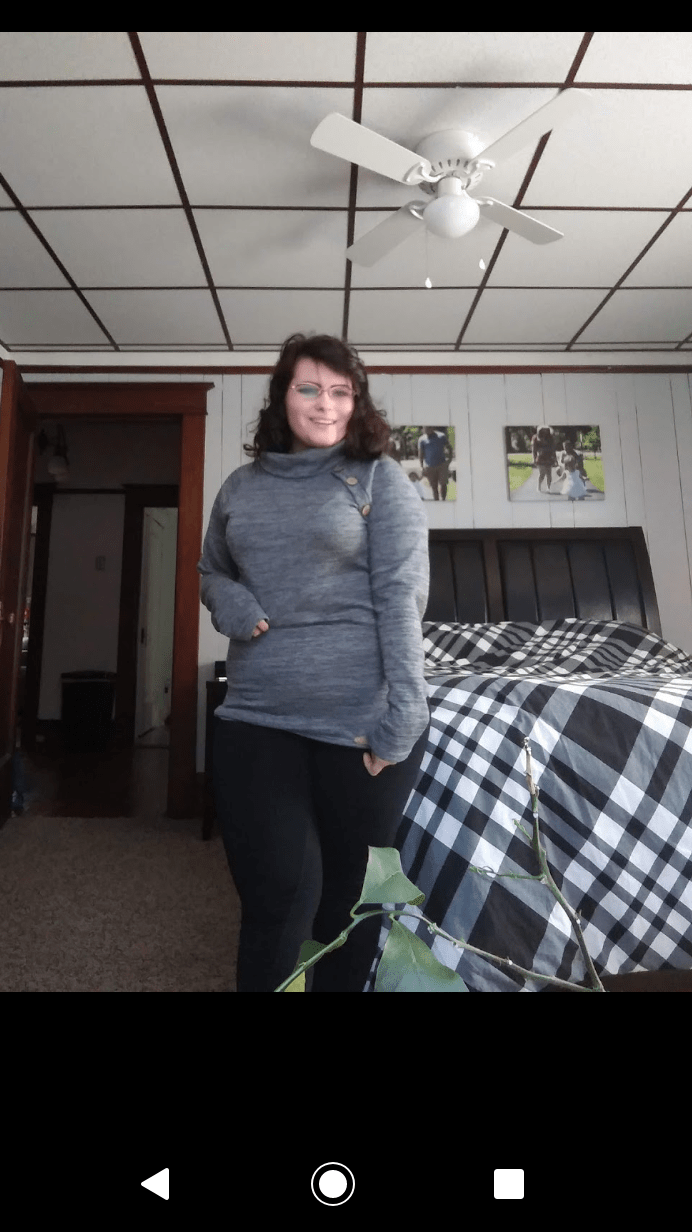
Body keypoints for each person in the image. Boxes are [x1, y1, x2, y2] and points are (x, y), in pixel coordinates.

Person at [197, 332, 431, 993]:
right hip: (256, 718)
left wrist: (405, 715)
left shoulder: (381, 480)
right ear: (283, 397)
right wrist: (232, 602)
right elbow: (212, 570)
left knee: (348, 907)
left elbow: (401, 599)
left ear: (356, 402)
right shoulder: (241, 487)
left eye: (339, 391)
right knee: (277, 895)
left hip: (359, 728)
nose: (324, 404)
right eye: (308, 388)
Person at [418, 426, 452, 501]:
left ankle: (443, 499)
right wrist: (421, 466)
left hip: (442, 465)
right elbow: (420, 454)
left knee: (443, 484)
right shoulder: (421, 439)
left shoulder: (441, 436)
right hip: (430, 466)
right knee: (434, 487)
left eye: (427, 428)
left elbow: (449, 448)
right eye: (424, 429)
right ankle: (436, 501)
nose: (425, 430)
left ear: (432, 428)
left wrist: (449, 460)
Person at [530, 425, 559, 493]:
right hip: (541, 457)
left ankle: (548, 487)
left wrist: (555, 459)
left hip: (549, 457)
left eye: (546, 431)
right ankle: (539, 487)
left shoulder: (551, 438)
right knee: (542, 474)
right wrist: (534, 459)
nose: (545, 432)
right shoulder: (535, 438)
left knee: (549, 473)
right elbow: (534, 450)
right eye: (543, 431)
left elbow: (553, 449)